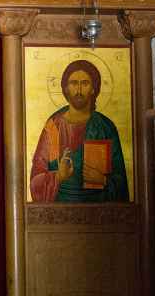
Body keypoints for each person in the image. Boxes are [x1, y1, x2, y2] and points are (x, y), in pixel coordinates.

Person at [30, 59, 129, 202]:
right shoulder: (53, 127)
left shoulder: (105, 127)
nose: (79, 90)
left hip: (98, 211)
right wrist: (58, 176)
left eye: (85, 83)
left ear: (94, 88)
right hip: (59, 209)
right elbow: (36, 179)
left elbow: (121, 182)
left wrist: (103, 180)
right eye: (74, 83)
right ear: (65, 88)